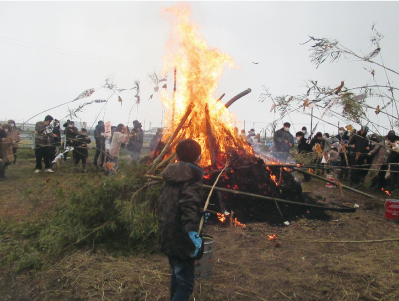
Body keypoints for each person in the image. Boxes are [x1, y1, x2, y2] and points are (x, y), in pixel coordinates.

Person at [157, 139, 204, 301]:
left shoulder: (170, 177)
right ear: (198, 157)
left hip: (167, 234)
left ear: (176, 156)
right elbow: (189, 206)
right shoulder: (191, 179)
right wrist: (193, 233)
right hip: (182, 237)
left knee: (178, 274)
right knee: (185, 285)